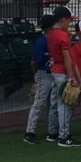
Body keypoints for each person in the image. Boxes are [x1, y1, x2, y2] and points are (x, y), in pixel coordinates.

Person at [47, 6, 81, 148]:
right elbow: (67, 58)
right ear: (62, 20)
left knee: (54, 102)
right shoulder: (62, 36)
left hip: (54, 70)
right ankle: (63, 136)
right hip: (62, 71)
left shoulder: (51, 34)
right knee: (64, 104)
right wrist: (71, 77)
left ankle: (52, 133)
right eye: (68, 20)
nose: (70, 23)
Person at [24, 15, 59, 145]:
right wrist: (37, 77)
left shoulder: (53, 39)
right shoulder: (42, 41)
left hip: (53, 74)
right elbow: (34, 62)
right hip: (43, 74)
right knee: (39, 102)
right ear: (50, 27)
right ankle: (29, 132)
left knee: (52, 103)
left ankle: (52, 130)